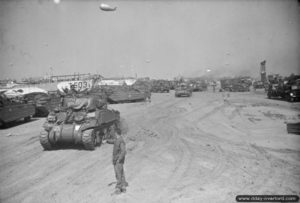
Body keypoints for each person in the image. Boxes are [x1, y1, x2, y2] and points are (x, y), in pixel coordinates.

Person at [106, 127, 128, 195]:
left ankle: (118, 188)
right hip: (117, 160)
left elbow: (123, 151)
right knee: (121, 173)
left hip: (118, 160)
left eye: (115, 133)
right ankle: (123, 187)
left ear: (116, 133)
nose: (114, 134)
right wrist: (106, 141)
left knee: (118, 174)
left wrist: (119, 159)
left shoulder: (120, 141)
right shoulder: (117, 139)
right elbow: (113, 141)